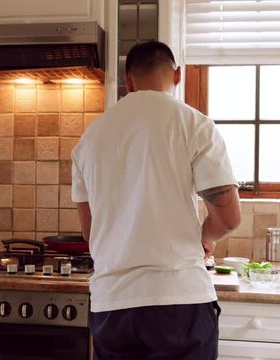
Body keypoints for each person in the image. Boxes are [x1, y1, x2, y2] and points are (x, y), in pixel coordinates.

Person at [71, 40, 242, 359]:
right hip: (179, 301)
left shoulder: (89, 139)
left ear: (128, 82)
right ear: (177, 76)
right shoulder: (195, 125)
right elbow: (229, 217)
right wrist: (205, 239)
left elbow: (89, 231)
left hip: (113, 305)